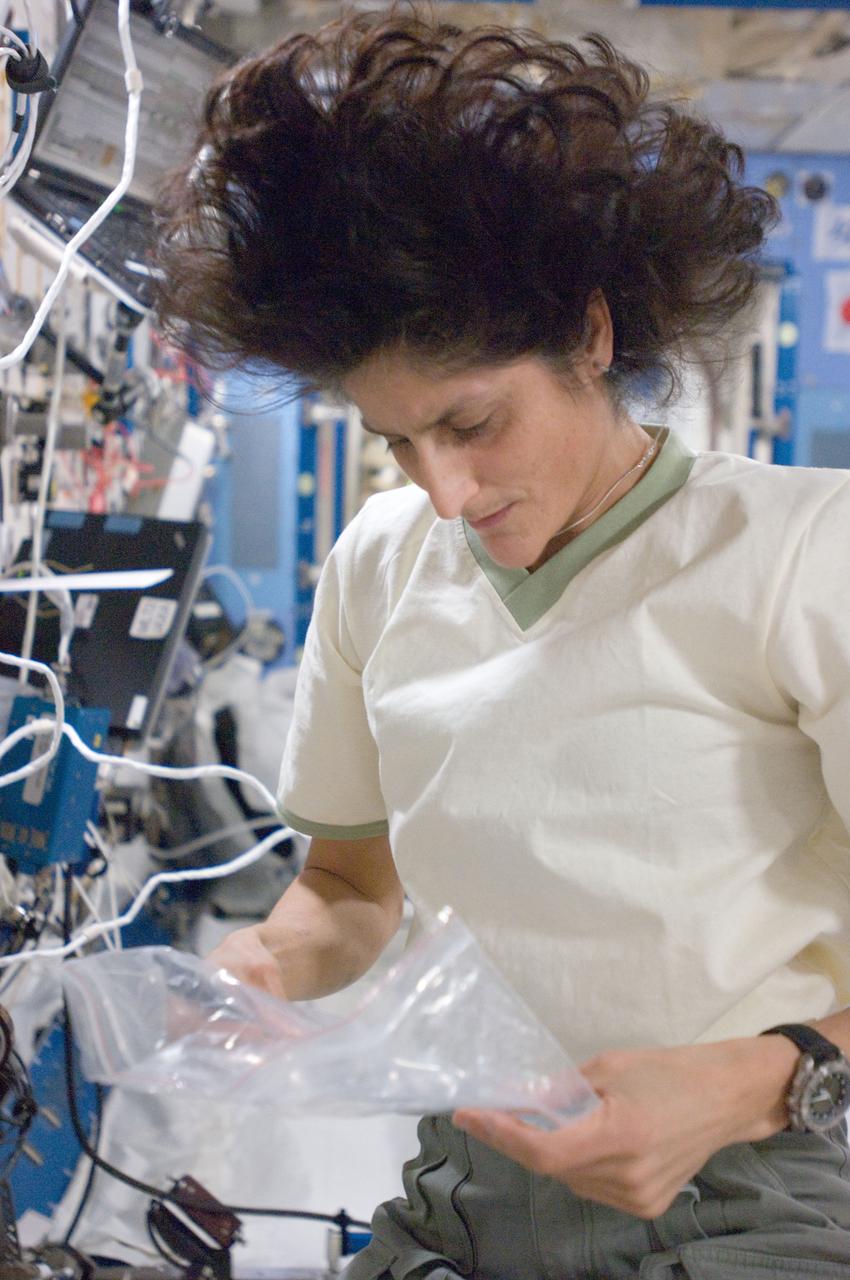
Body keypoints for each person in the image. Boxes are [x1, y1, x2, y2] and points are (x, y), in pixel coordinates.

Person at [154, 11, 850, 1276]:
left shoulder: (800, 556)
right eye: (397, 440)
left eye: (474, 420)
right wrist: (259, 966)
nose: (447, 490)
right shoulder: (379, 564)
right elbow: (350, 889)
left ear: (590, 334)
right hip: (468, 1190)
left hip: (758, 1182)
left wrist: (764, 1084)